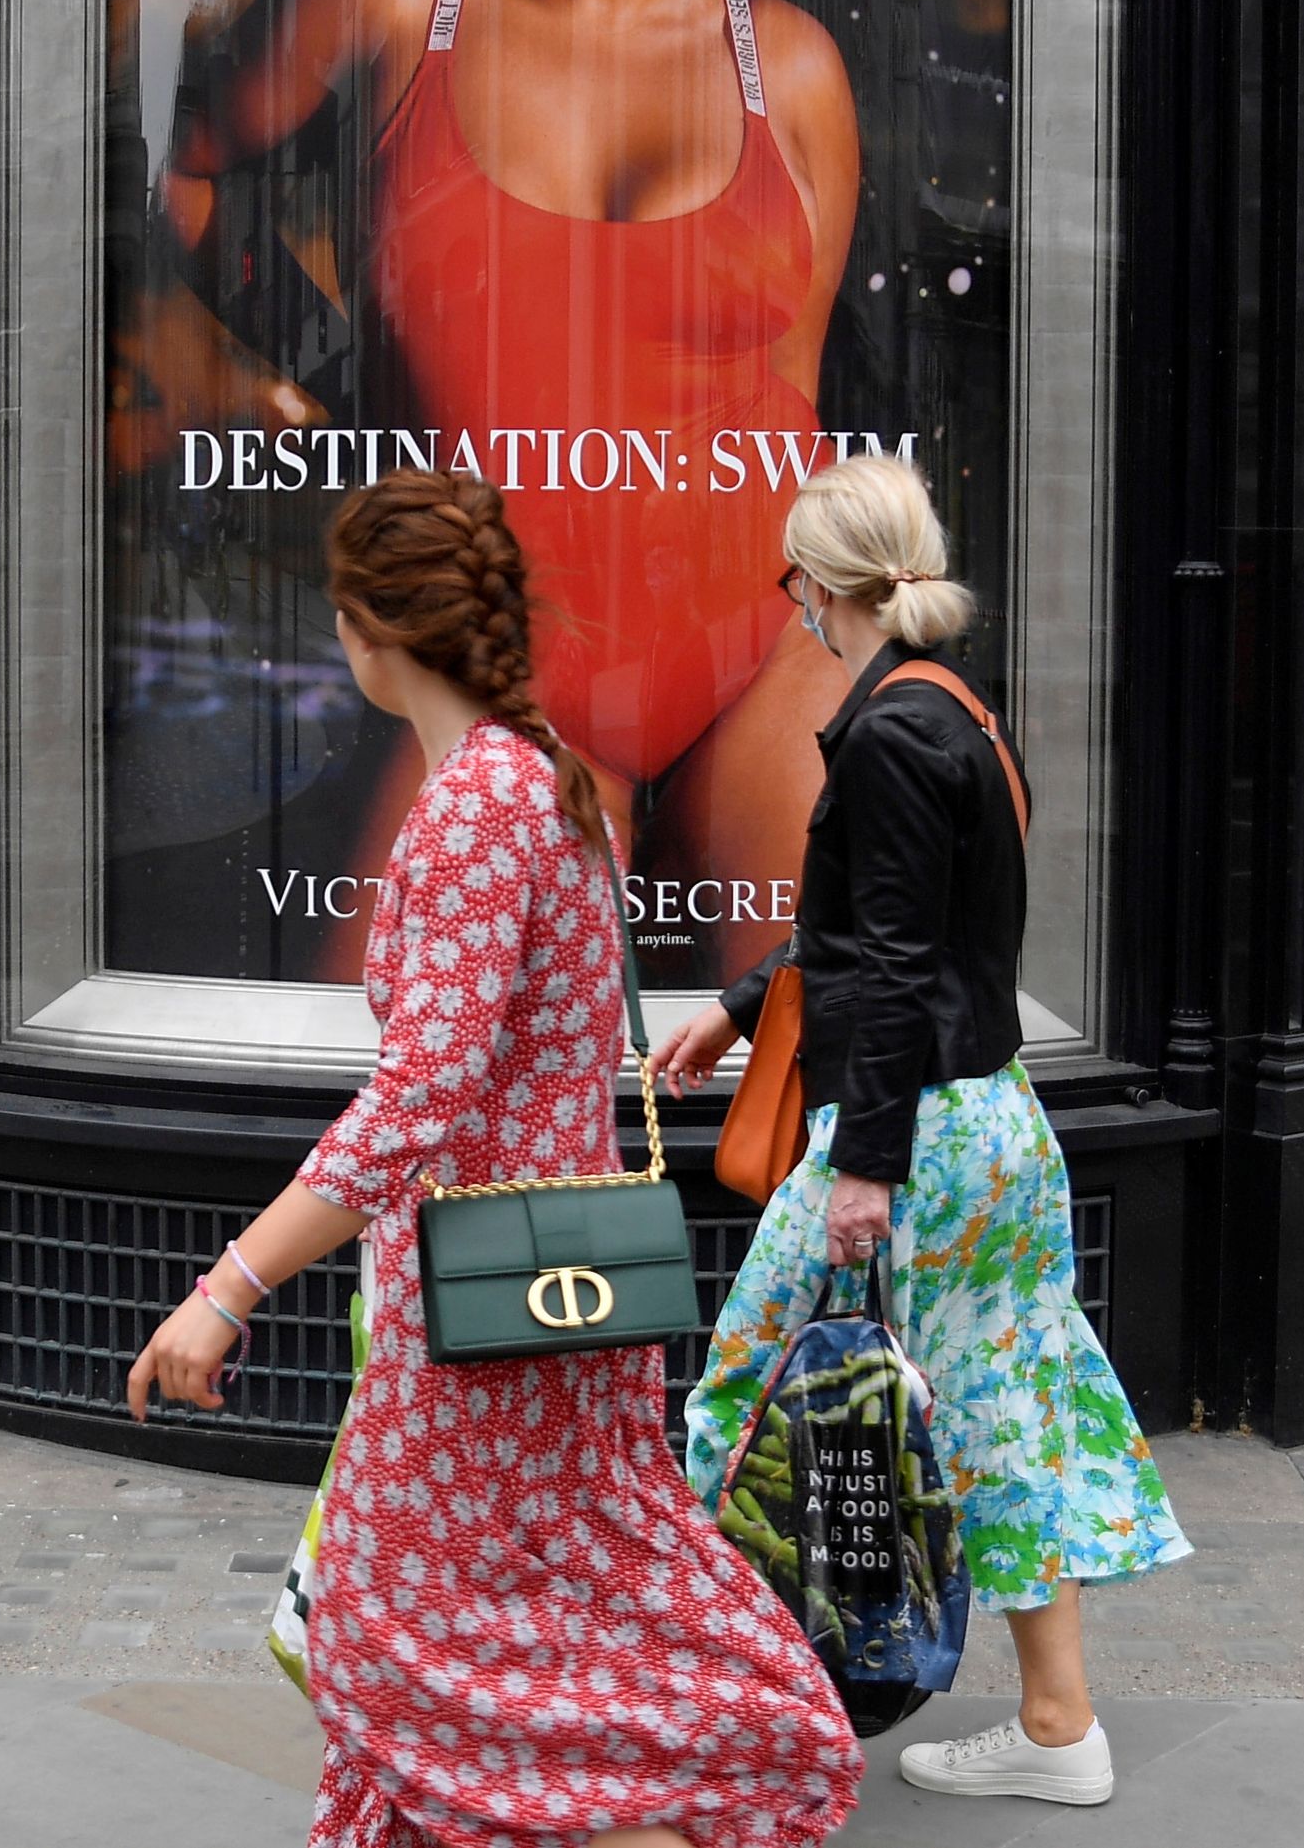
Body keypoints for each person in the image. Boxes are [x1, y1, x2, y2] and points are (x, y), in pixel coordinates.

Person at [125, 468, 863, 1848]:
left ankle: (652, 1818)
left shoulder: (478, 804)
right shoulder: (545, 780)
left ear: (373, 632)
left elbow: (420, 1094)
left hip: (484, 1315)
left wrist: (228, 1286)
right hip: (547, 1291)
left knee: (393, 1635)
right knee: (542, 1617)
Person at [153, 0, 863, 966]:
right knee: (384, 1048)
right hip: (497, 660)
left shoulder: (791, 64)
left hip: (766, 651)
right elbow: (181, 163)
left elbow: (794, 391)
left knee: (800, 1058)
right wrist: (341, 375)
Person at [656, 453, 1188, 1809]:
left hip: (911, 1137)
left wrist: (865, 1168)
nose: (793, 604)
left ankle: (728, 1716)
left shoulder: (887, 732)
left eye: (791, 580)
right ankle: (1058, 1726)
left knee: (749, 1396)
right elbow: (900, 934)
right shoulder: (958, 710)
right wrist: (737, 1006)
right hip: (992, 1118)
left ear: (816, 584)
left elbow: (893, 964)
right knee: (1002, 1413)